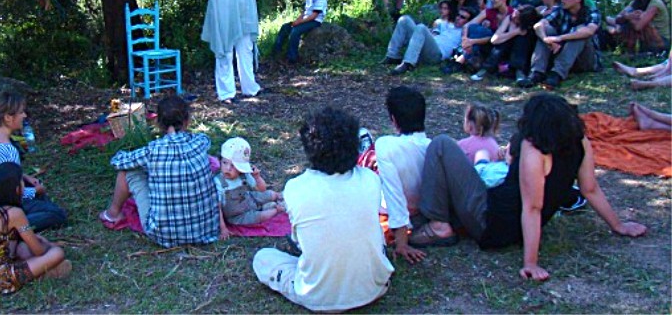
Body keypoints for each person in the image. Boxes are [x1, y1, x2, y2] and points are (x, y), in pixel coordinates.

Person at [410, 93, 647, 282]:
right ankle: (438, 218)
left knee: (442, 144)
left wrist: (530, 263)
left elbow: (532, 207)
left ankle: (439, 225)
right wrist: (619, 225)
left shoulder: (534, 149)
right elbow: (590, 189)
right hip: (514, 224)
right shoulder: (579, 141)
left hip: (491, 222)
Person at [252, 107, 394, 311]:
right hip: (375, 288)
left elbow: (298, 241)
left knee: (263, 258)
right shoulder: (371, 180)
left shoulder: (296, 188)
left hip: (317, 297)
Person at [100, 95, 218, 248]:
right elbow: (202, 144)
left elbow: (118, 162)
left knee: (127, 172)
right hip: (206, 231)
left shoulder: (153, 150)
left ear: (158, 123)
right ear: (187, 120)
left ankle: (113, 214)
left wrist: (127, 151)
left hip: (163, 235)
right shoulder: (201, 142)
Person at [0, 162, 71, 296]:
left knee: (23, 248)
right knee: (57, 253)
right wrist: (48, 246)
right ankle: (45, 273)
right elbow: (38, 251)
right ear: (16, 189)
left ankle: (40, 270)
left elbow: (18, 244)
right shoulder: (14, 213)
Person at [0, 91, 67, 231]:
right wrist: (35, 191)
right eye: (21, 112)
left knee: (39, 197)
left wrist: (25, 177)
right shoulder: (7, 150)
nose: (24, 116)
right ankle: (10, 227)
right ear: (8, 117)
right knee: (56, 214)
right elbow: (15, 193)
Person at [373, 86, 431, 263]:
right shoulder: (433, 146)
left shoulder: (385, 145)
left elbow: (394, 193)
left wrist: (401, 242)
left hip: (395, 208)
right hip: (426, 208)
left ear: (393, 120)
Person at [519, 0, 600, 89]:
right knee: (546, 29)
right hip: (563, 54)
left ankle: (557, 74)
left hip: (585, 59)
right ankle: (537, 72)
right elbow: (538, 25)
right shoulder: (560, 11)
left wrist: (559, 38)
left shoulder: (592, 13)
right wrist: (546, 39)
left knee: (579, 34)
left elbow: (589, 31)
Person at [215, 137, 285, 240]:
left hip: (249, 198)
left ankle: (280, 196)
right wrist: (223, 228)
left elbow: (261, 190)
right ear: (220, 161)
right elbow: (218, 208)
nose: (228, 168)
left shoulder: (244, 175)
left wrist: (257, 177)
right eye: (225, 163)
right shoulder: (218, 182)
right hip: (238, 216)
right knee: (262, 216)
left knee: (269, 194)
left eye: (234, 166)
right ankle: (277, 210)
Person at [383, 6, 475, 75]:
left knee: (421, 27)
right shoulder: (447, 24)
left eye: (463, 17)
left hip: (436, 54)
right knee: (405, 19)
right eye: (458, 15)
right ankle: (392, 55)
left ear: (468, 21)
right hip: (425, 46)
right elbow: (434, 31)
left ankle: (408, 63)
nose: (458, 18)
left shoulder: (465, 33)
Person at [450, 0, 514, 73]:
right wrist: (465, 39)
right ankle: (468, 60)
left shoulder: (513, 13)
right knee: (474, 28)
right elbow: (467, 26)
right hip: (485, 45)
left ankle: (462, 60)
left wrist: (472, 41)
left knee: (483, 32)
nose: (492, 0)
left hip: (503, 46)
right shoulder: (488, 12)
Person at [470, 6, 541, 82]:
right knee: (503, 41)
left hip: (522, 55)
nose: (513, 18)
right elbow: (494, 40)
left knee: (521, 40)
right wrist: (515, 32)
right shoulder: (509, 18)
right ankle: (486, 69)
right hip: (504, 52)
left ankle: (519, 71)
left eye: (517, 18)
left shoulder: (530, 28)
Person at [606, 0, 670, 54]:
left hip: (660, 41)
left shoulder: (655, 2)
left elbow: (638, 26)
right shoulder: (635, 3)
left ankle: (630, 51)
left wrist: (629, 18)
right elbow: (618, 17)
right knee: (608, 21)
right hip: (644, 40)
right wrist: (627, 16)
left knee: (636, 26)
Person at [271, 0, 327, 64]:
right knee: (286, 27)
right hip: (305, 19)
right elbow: (305, 12)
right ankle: (276, 51)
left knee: (295, 31)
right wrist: (296, 21)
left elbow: (314, 15)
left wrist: (299, 22)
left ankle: (292, 57)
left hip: (314, 21)